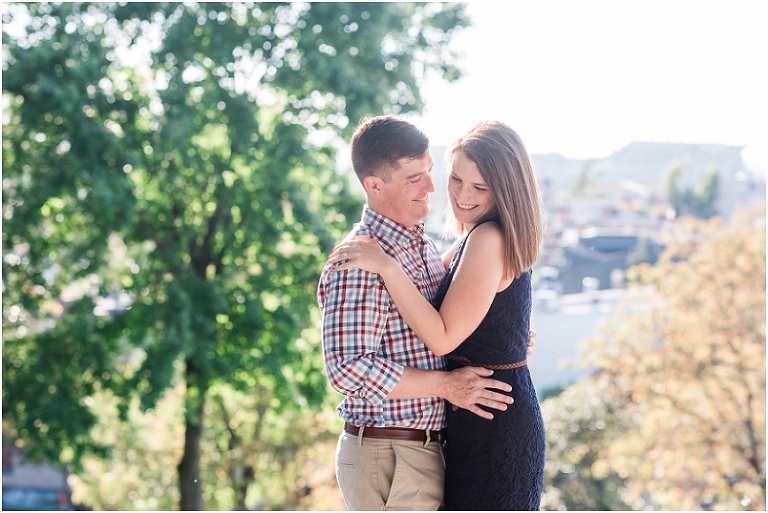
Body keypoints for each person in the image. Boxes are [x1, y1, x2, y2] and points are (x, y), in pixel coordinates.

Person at [329, 120, 546, 510]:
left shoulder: (481, 238)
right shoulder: (435, 246)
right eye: (455, 179)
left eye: (479, 187)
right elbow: (448, 295)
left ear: (507, 191)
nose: (459, 195)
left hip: (487, 420)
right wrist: (505, 335)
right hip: (457, 426)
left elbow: (443, 333)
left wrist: (387, 267)